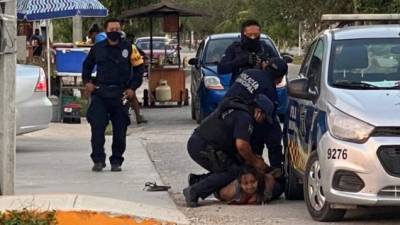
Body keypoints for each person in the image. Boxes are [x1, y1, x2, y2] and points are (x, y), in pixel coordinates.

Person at [183, 94, 275, 207]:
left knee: (234, 167)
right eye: (264, 118)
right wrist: (256, 162)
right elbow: (241, 145)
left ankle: (198, 180)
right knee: (234, 171)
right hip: (203, 147)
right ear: (259, 112)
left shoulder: (239, 110)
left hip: (203, 143)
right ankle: (195, 191)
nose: (262, 121)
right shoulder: (244, 118)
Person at [82, 18, 142, 172]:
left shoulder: (130, 48)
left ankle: (117, 161)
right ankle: (98, 160)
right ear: (106, 31)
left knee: (120, 130)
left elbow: (139, 69)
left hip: (121, 94)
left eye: (117, 29)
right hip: (100, 93)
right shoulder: (98, 48)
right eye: (111, 29)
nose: (114, 32)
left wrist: (132, 88)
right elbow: (87, 65)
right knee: (97, 128)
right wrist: (87, 82)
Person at [224, 57, 288, 169]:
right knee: (271, 127)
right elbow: (270, 129)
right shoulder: (269, 91)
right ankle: (276, 172)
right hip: (240, 129)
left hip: (220, 119)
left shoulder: (248, 72)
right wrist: (275, 164)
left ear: (265, 66)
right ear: (280, 79)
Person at [218, 19, 279, 85]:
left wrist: (267, 64)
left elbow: (280, 68)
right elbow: (221, 69)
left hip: (263, 89)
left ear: (259, 34)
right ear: (243, 33)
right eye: (249, 35)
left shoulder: (266, 49)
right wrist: (239, 61)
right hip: (239, 90)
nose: (253, 38)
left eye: (256, 35)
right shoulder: (234, 48)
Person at [217, 166, 284, 204]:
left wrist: (263, 196)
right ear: (240, 184)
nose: (250, 186)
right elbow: (220, 194)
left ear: (257, 179)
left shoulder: (265, 182)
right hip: (231, 188)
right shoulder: (230, 192)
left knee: (280, 187)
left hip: (269, 186)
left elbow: (270, 178)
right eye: (245, 183)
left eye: (253, 181)